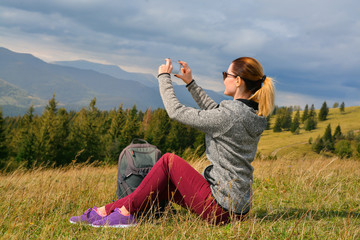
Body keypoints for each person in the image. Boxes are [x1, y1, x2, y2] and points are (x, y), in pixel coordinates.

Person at [70, 57, 275, 228]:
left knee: (169, 161)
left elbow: (176, 112)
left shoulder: (231, 116)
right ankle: (106, 210)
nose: (224, 80)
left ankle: (124, 213)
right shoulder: (250, 114)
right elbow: (216, 112)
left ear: (238, 81)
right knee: (164, 185)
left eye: (226, 75)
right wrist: (190, 83)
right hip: (237, 209)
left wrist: (163, 78)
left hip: (219, 209)